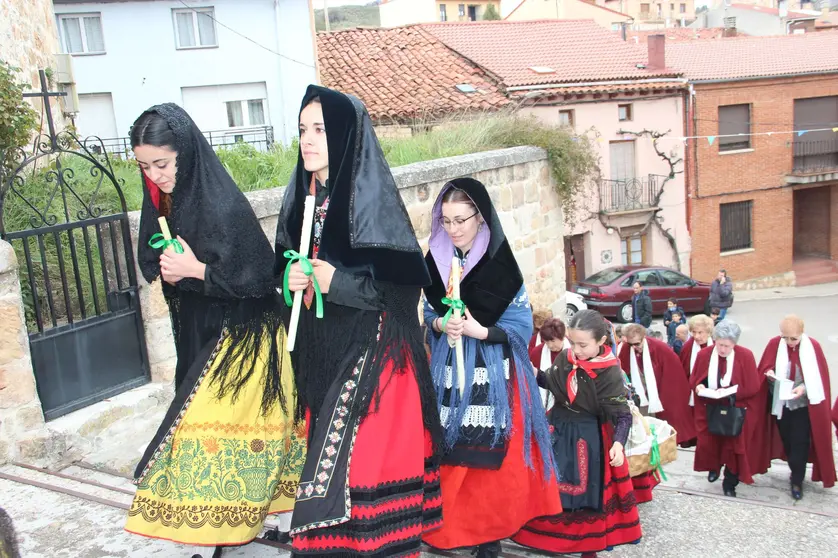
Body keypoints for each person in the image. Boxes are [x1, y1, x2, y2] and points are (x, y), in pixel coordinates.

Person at [124, 104, 303, 556]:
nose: (155, 176)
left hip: (244, 338)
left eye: (162, 164)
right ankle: (219, 532)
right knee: (207, 433)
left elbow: (259, 281)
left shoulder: (221, 204)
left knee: (216, 436)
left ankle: (225, 534)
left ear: (184, 153)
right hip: (199, 331)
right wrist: (168, 267)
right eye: (144, 166)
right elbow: (153, 257)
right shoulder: (162, 196)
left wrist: (195, 269)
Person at [274, 86, 444, 556]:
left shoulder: (371, 201)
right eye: (303, 130)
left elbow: (402, 290)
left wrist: (336, 283)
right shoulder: (299, 200)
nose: (307, 141)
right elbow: (278, 277)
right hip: (322, 359)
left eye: (320, 130)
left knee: (360, 482)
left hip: (375, 365)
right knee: (328, 485)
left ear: (346, 135)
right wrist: (289, 279)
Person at [422, 178, 560, 558]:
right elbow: (428, 313)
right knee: (450, 455)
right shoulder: (435, 260)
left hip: (492, 373)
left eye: (461, 220)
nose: (453, 230)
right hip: (448, 371)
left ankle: (489, 536)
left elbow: (521, 325)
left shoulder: (501, 264)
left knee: (489, 462)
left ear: (480, 218)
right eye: (446, 221)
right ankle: (448, 528)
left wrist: (480, 330)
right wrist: (439, 325)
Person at [512, 310, 642, 558]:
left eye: (583, 345)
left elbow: (621, 414)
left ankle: (587, 547)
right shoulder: (565, 357)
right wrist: (532, 370)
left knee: (583, 493)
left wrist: (618, 443)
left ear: (601, 341)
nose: (577, 350)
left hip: (587, 436)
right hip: (556, 427)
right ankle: (547, 540)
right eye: (573, 343)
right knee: (548, 485)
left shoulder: (610, 371)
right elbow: (551, 382)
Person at [759, 315, 835, 499]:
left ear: (802, 334)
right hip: (781, 404)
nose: (789, 342)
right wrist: (769, 375)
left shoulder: (813, 347)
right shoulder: (775, 344)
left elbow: (819, 378)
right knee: (788, 441)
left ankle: (797, 480)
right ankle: (795, 470)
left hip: (802, 406)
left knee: (800, 442)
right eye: (785, 337)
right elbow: (763, 368)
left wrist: (804, 388)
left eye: (794, 338)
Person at [690, 320, 766, 497]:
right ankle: (713, 467)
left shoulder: (745, 356)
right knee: (710, 442)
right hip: (710, 407)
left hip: (736, 409)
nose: (722, 350)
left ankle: (730, 481)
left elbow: (753, 386)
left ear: (734, 344)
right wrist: (699, 387)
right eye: (719, 344)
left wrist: (730, 393)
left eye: (727, 346)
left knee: (734, 447)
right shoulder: (705, 355)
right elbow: (695, 379)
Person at [618, 324, 696, 446]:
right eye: (631, 344)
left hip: (660, 387)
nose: (635, 347)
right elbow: (622, 368)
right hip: (641, 391)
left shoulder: (659, 348)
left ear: (644, 337)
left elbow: (673, 373)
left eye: (637, 344)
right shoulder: (628, 348)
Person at [529, 317, 569, 409]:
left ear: (562, 337)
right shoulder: (537, 352)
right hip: (542, 402)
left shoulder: (573, 351)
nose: (550, 345)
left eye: (553, 341)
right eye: (546, 341)